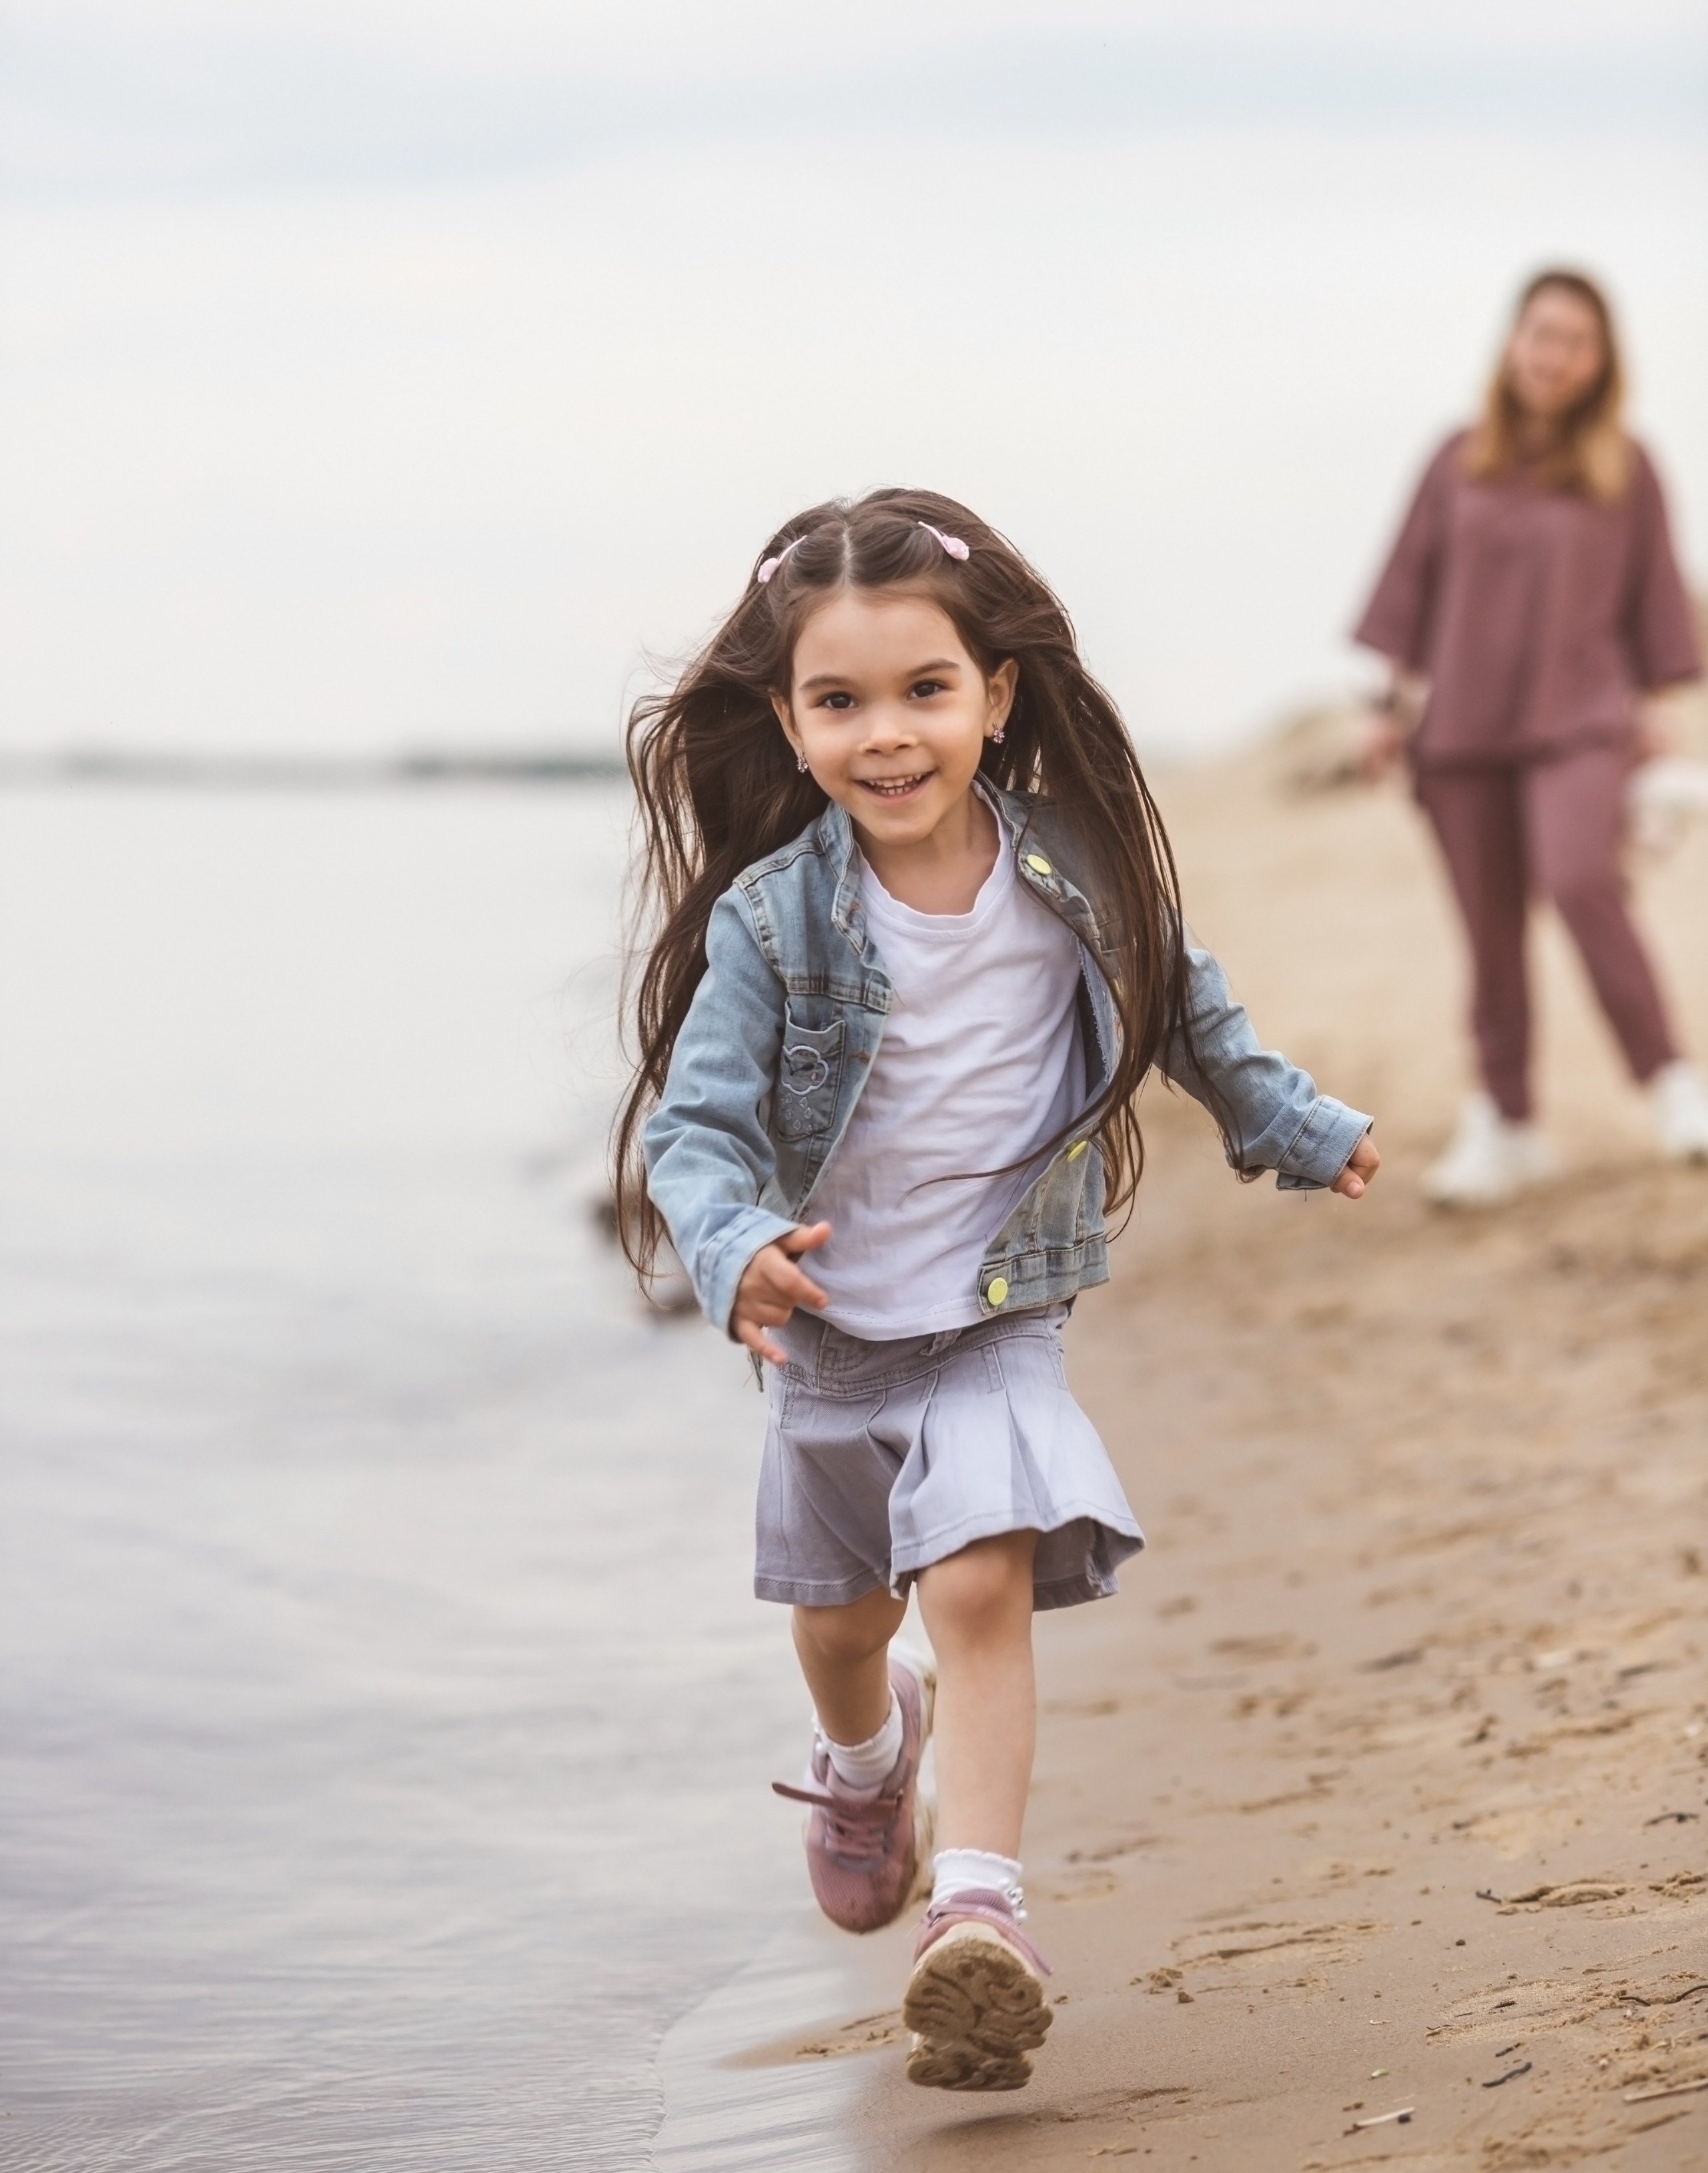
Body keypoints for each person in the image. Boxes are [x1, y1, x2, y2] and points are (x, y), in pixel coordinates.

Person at [616, 491, 1379, 2092]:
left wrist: (1290, 1126)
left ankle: (979, 1916)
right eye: (839, 702)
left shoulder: (1074, 872)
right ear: (788, 717)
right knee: (842, 1628)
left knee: (973, 1584)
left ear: (996, 695)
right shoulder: (773, 920)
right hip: (830, 1335)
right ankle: (862, 1756)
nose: (885, 737)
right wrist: (729, 1242)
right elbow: (695, 1124)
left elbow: (1186, 1012)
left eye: (922, 692)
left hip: (996, 1309)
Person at [1355, 270, 1708, 1204]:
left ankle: (1673, 1084)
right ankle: (1506, 1124)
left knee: (1580, 877)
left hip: (1583, 718)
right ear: (1515, 343)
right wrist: (1383, 714)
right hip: (1463, 725)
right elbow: (1410, 589)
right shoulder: (1456, 458)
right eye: (1541, 334)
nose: (1554, 354)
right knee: (1490, 930)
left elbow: (1656, 610)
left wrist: (1659, 723)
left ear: (1601, 364)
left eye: (1576, 341)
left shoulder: (1627, 467)